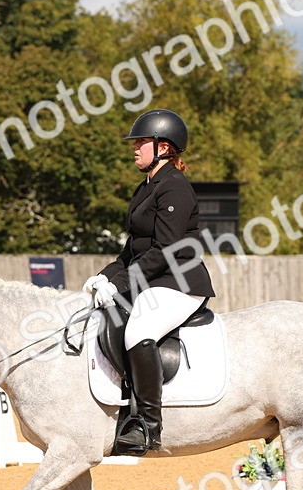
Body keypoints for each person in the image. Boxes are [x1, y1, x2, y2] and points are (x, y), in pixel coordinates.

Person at [82, 109, 215, 455]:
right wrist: (105, 276)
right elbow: (133, 248)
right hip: (154, 278)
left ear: (164, 147)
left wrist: (123, 283)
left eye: (141, 142)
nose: (135, 148)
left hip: (179, 282)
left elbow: (166, 250)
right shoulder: (147, 188)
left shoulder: (175, 188)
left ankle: (147, 426)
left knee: (139, 330)